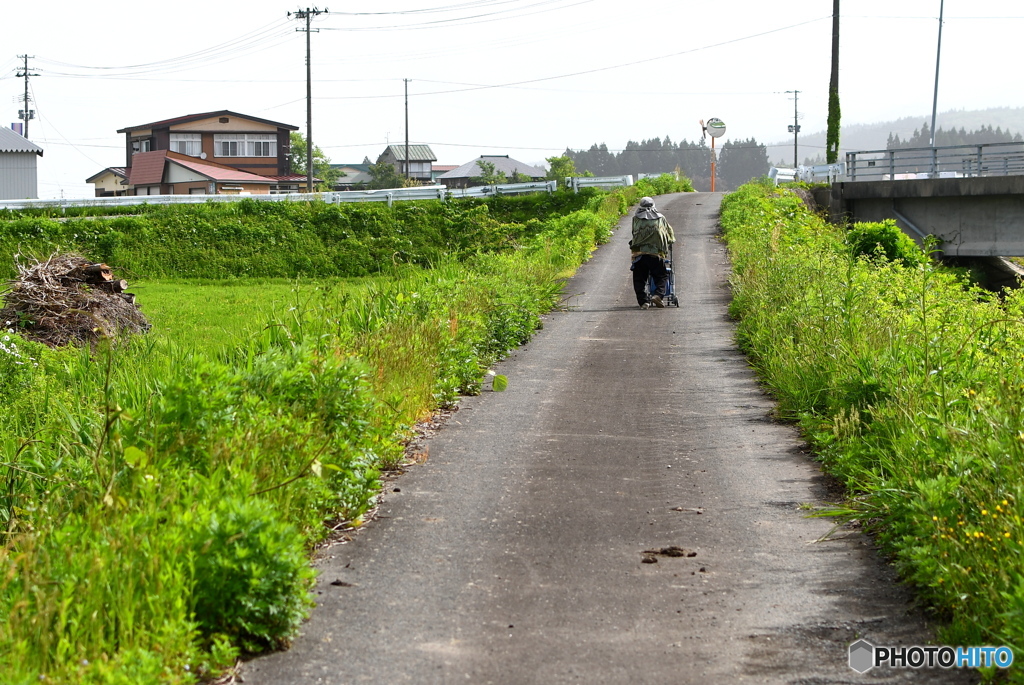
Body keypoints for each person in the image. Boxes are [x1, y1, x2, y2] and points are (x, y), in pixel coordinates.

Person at [629, 196, 675, 309]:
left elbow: (634, 233)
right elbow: (669, 235)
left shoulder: (636, 219)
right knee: (662, 276)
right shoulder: (661, 218)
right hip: (656, 254)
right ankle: (658, 295)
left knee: (639, 279)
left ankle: (643, 302)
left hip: (639, 254)